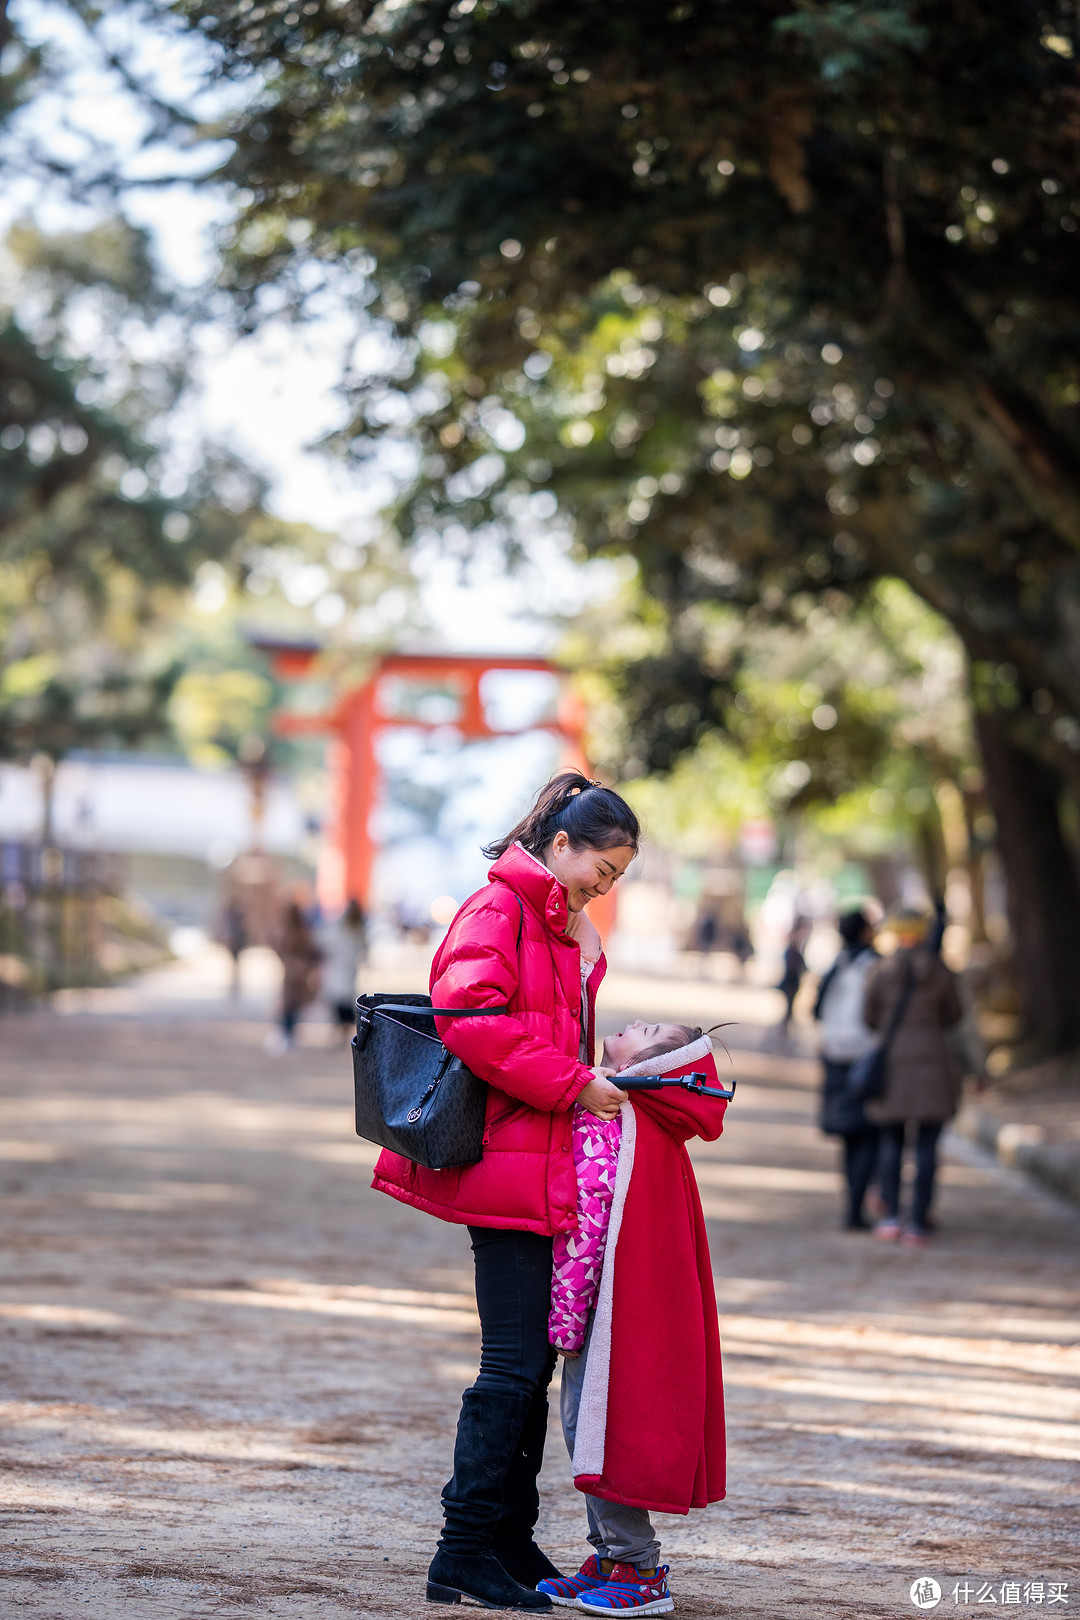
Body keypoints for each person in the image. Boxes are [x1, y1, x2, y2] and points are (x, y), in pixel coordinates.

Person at [371, 772, 640, 1612]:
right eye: (606, 866)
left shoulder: (555, 920)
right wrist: (572, 1085)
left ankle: (509, 1540)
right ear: (563, 844)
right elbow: (472, 1023)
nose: (609, 883)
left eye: (621, 875)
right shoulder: (498, 911)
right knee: (513, 1363)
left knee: (526, 1363)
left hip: (541, 1163)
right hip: (506, 1162)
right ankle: (461, 1551)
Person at [541, 1019, 728, 1617]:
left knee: (599, 1430)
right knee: (586, 1427)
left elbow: (590, 1227)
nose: (627, 1023)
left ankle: (639, 1567)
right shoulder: (627, 1117)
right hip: (607, 1307)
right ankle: (611, 1556)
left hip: (610, 1310)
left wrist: (566, 1317)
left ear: (648, 1067)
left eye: (643, 1031)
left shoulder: (620, 1123)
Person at [863, 908, 963, 1249]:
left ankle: (891, 1217)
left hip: (893, 1065)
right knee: (927, 1147)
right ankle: (919, 1221)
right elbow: (954, 1014)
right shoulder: (941, 970)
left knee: (891, 1142)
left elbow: (869, 1017)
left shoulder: (879, 971)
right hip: (934, 1066)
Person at [813, 910, 881, 1230]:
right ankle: (858, 1204)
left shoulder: (837, 965)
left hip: (835, 1057)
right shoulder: (877, 965)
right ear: (867, 932)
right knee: (868, 1132)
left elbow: (816, 1009)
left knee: (849, 1135)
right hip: (868, 1058)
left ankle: (852, 1204)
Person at [268, 900, 321, 1053]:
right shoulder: (300, 930)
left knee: (290, 1004)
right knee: (291, 1004)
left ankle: (288, 1033)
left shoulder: (294, 931)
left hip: (294, 974)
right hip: (296, 973)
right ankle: (288, 1033)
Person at [321, 898, 367, 1042]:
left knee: (341, 1000)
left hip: (344, 969)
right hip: (342, 968)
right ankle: (340, 1030)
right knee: (340, 1000)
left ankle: (341, 1030)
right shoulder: (353, 929)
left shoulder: (349, 929)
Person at [777, 921, 809, 1031]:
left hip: (793, 984)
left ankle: (785, 1029)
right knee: (788, 1009)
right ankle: (784, 1030)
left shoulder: (797, 951)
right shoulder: (791, 951)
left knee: (790, 1009)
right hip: (789, 983)